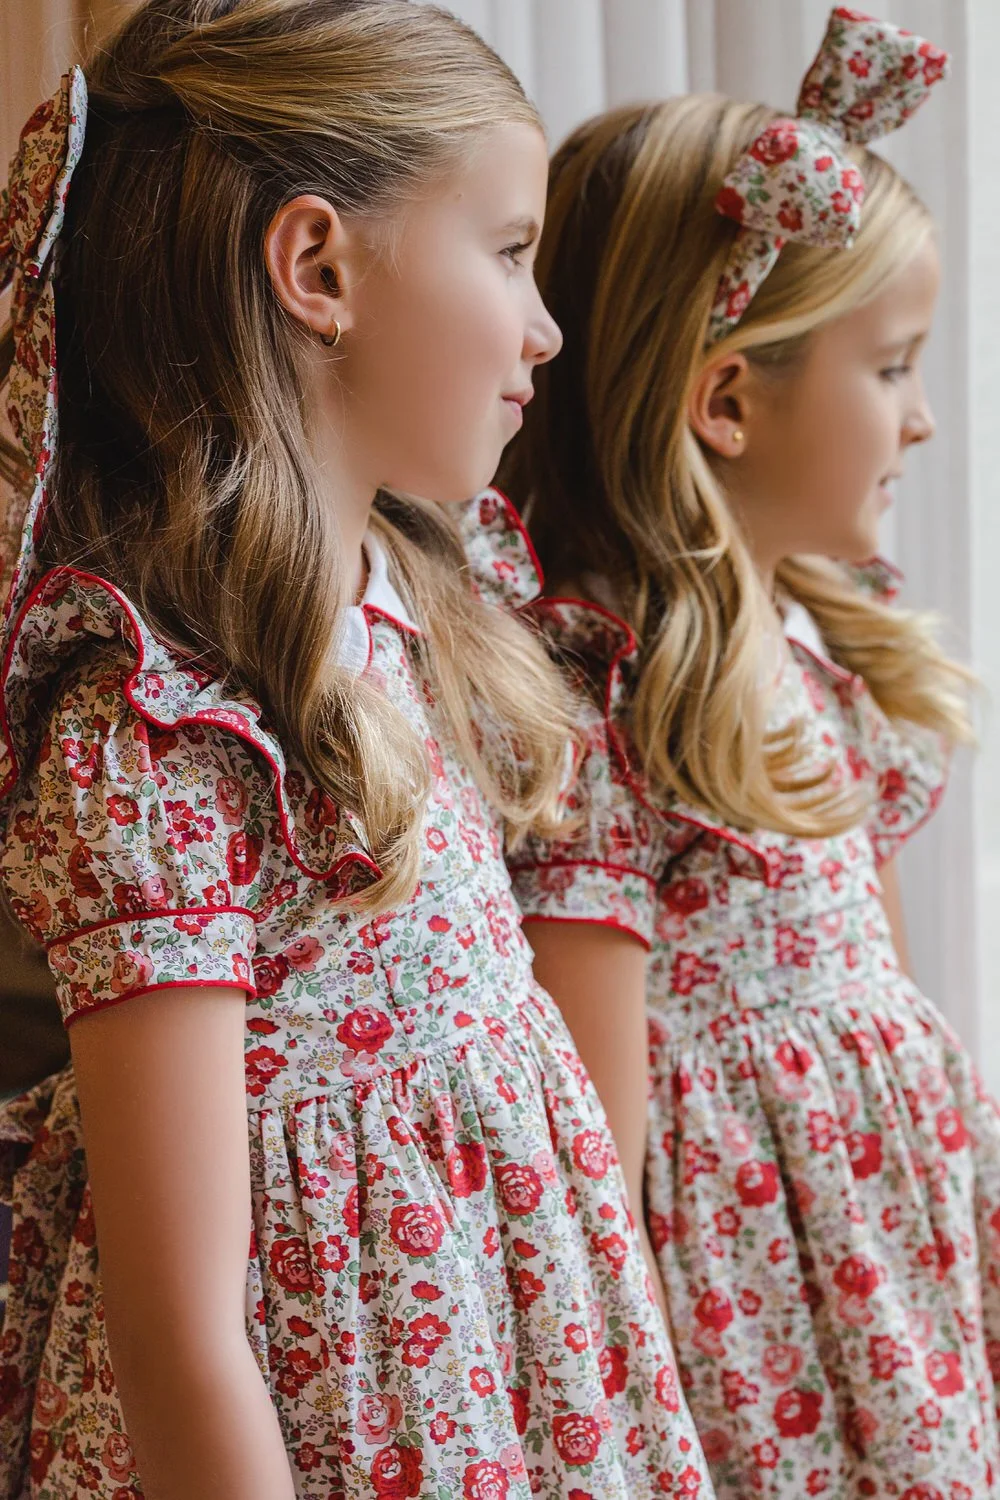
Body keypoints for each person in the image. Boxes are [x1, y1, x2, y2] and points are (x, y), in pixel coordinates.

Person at [0, 3, 713, 1497]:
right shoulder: (160, 725)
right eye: (511, 253)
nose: (547, 329)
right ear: (318, 267)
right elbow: (179, 1330)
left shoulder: (429, 606)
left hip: (509, 1377)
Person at [503, 8, 1000, 1495]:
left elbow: (886, 1002)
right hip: (748, 1331)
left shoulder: (818, 655)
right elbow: (597, 1148)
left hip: (890, 1263)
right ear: (725, 400)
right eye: (895, 369)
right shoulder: (605, 701)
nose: (920, 423)